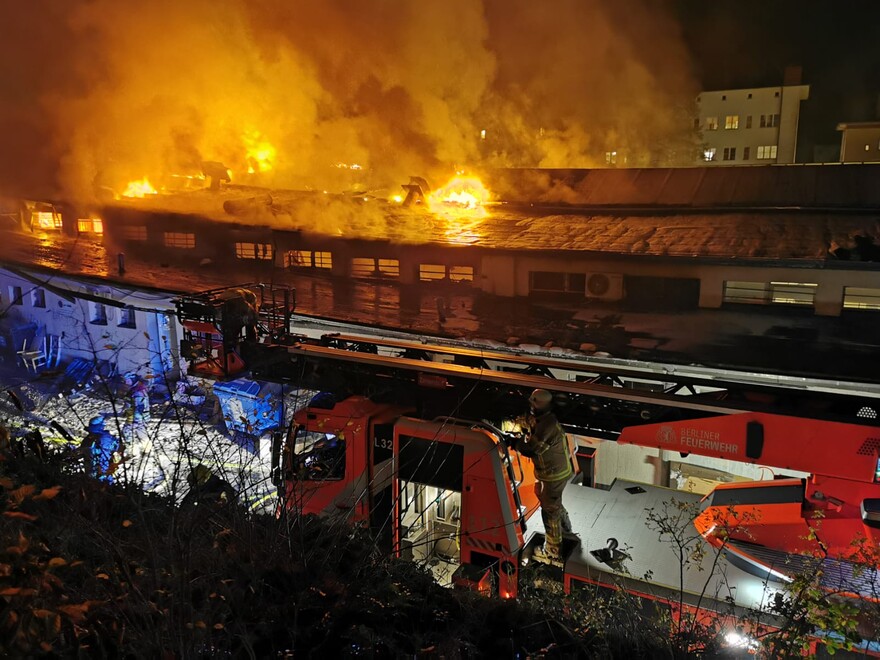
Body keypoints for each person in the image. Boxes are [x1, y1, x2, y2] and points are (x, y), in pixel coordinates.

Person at [511, 389, 574, 564]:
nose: (530, 404)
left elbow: (532, 449)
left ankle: (553, 551)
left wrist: (514, 443)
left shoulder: (549, 424)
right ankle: (565, 525)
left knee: (549, 510)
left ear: (540, 404)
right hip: (549, 473)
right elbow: (524, 422)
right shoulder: (540, 417)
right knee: (546, 498)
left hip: (555, 474)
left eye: (533, 402)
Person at [82, 416, 121, 483]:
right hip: (101, 473)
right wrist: (103, 474)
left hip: (91, 471)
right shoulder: (105, 438)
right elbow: (104, 456)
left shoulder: (88, 438)